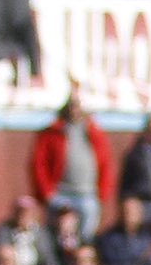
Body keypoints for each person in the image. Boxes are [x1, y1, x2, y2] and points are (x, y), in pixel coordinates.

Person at [31, 98, 114, 238]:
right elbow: (39, 164)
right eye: (72, 107)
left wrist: (102, 193)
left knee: (87, 236)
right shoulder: (53, 132)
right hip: (60, 193)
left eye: (78, 107)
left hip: (87, 194)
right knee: (55, 236)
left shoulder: (94, 132)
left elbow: (105, 164)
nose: (75, 111)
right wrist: (47, 193)